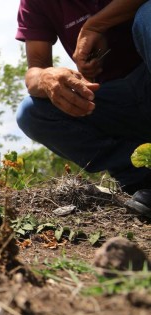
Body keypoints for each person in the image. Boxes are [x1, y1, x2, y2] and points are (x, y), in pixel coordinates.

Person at [15, 0, 151, 217]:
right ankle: (142, 177)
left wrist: (96, 25)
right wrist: (47, 77)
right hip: (113, 102)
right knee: (31, 112)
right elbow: (35, 70)